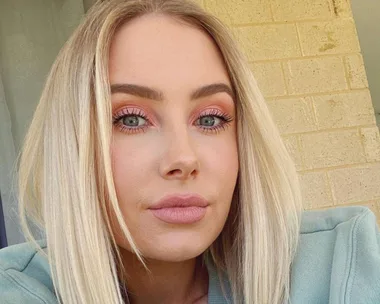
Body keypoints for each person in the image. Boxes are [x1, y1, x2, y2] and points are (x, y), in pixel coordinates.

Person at [0, 0, 380, 303]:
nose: (183, 158)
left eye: (211, 119)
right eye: (131, 119)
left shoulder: (338, 265)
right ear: (73, 143)